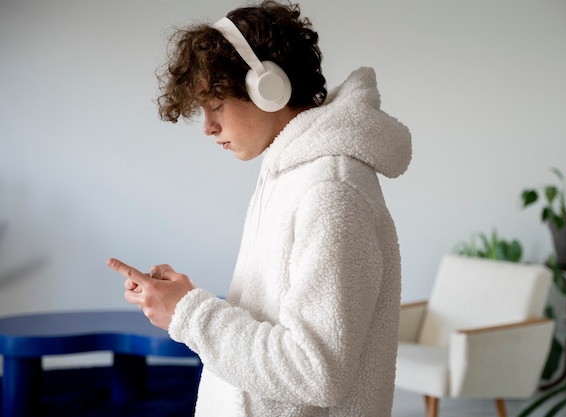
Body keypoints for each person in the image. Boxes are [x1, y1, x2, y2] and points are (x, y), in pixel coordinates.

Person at [106, 1, 412, 416]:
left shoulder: (332, 192)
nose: (208, 128)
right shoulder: (289, 173)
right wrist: (181, 298)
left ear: (268, 87)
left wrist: (189, 312)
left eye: (215, 106)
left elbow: (317, 371)